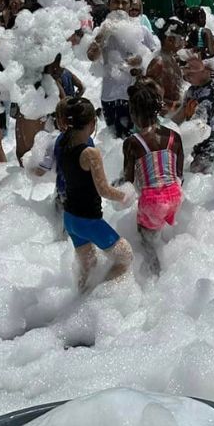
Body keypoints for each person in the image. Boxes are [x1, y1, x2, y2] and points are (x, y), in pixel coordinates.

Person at [57, 97, 135, 292]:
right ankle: (100, 297)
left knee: (87, 267)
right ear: (92, 123)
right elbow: (104, 190)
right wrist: (125, 195)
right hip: (89, 221)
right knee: (125, 256)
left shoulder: (63, 143)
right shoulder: (90, 153)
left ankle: (81, 300)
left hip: (70, 219)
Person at [122, 79, 185, 274]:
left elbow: (129, 180)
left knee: (146, 240)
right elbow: (179, 174)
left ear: (133, 114)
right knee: (164, 233)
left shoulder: (133, 142)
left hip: (151, 200)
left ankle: (156, 275)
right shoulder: (175, 136)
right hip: (175, 195)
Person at [89, 0, 158, 138]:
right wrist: (103, 34)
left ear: (129, 5)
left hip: (134, 95)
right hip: (109, 95)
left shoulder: (142, 30)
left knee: (134, 140)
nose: (119, 6)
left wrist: (140, 61)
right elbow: (91, 56)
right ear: (108, 4)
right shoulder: (102, 29)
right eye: (115, 2)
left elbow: (154, 58)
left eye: (124, 3)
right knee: (112, 141)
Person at [174, 55, 214, 174]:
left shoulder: (210, 92)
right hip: (198, 143)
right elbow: (181, 114)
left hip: (209, 144)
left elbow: (199, 124)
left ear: (205, 71)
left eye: (190, 73)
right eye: (184, 74)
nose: (186, 77)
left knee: (198, 175)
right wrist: (166, 127)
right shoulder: (191, 90)